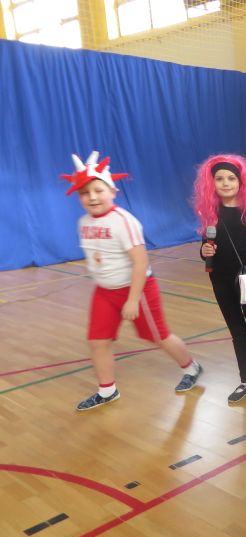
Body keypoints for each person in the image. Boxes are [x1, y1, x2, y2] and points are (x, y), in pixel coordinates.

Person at [61, 151, 202, 411]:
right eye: (84, 193)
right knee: (98, 341)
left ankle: (191, 367)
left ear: (112, 191)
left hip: (137, 290)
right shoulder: (83, 222)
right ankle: (107, 391)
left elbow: (141, 262)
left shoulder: (124, 222)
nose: (92, 197)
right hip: (104, 292)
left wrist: (133, 300)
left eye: (98, 190)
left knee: (159, 336)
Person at [194, 154, 246, 404]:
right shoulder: (211, 214)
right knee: (237, 332)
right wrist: (204, 250)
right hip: (220, 281)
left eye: (231, 178)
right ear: (212, 183)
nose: (225, 183)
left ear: (241, 182)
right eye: (219, 179)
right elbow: (207, 249)